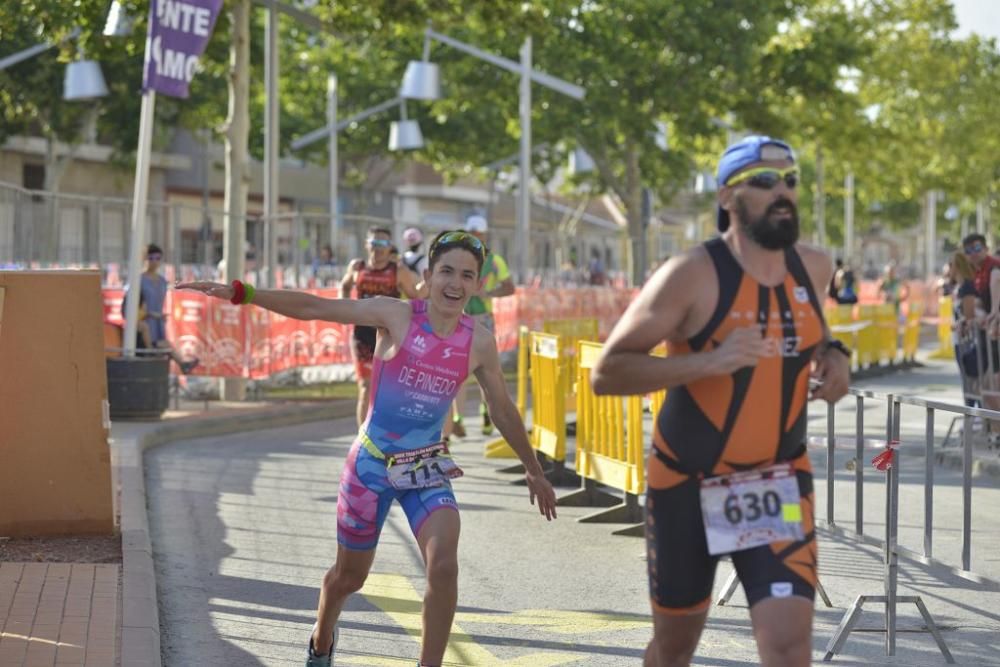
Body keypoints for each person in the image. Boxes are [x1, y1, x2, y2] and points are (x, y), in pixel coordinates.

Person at [176, 230, 558, 667]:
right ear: (428, 276)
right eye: (446, 271)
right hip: (370, 467)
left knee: (444, 564)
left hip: (425, 469)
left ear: (476, 285)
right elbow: (316, 308)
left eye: (467, 276)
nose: (455, 283)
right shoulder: (395, 315)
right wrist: (243, 292)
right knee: (348, 578)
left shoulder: (479, 341)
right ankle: (322, 640)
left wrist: (533, 468)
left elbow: (502, 409)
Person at [590, 135, 850, 667]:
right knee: (675, 647)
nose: (783, 191)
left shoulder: (815, 268)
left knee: (787, 644)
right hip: (686, 481)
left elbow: (812, 333)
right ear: (728, 197)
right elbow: (607, 372)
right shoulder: (690, 274)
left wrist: (837, 355)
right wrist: (706, 362)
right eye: (764, 181)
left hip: (776, 478)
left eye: (791, 180)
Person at [341, 227, 424, 426]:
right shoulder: (357, 267)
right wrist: (342, 306)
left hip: (389, 336)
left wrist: (428, 284)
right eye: (374, 243)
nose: (378, 249)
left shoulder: (399, 271)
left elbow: (415, 297)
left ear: (390, 248)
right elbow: (344, 285)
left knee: (389, 389)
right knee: (365, 387)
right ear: (366, 244)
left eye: (383, 244)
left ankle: (387, 434)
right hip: (362, 335)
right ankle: (363, 442)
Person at [451, 214, 514, 437]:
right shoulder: (459, 258)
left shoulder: (495, 261)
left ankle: (486, 413)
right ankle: (457, 418)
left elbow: (510, 287)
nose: (475, 237)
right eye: (472, 233)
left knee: (484, 371)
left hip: (484, 318)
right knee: (457, 370)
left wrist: (488, 292)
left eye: (479, 233)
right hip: (460, 317)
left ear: (484, 234)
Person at [124, 243, 198, 374]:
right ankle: (181, 363)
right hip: (143, 322)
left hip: (157, 322)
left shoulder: (162, 281)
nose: (154, 262)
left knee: (163, 345)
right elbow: (129, 304)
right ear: (145, 259)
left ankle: (183, 364)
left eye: (158, 258)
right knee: (158, 346)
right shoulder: (138, 280)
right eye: (151, 258)